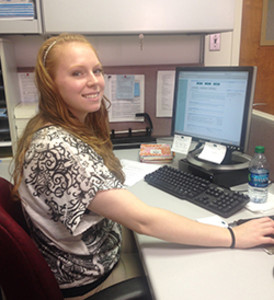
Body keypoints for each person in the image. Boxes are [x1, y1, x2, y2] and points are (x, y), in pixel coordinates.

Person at [12, 33, 274, 299]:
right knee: (204, 279)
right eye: (77, 73)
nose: (94, 81)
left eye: (97, 70)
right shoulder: (57, 147)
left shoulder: (52, 128)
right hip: (89, 276)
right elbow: (144, 220)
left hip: (90, 250)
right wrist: (233, 236)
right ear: (50, 84)